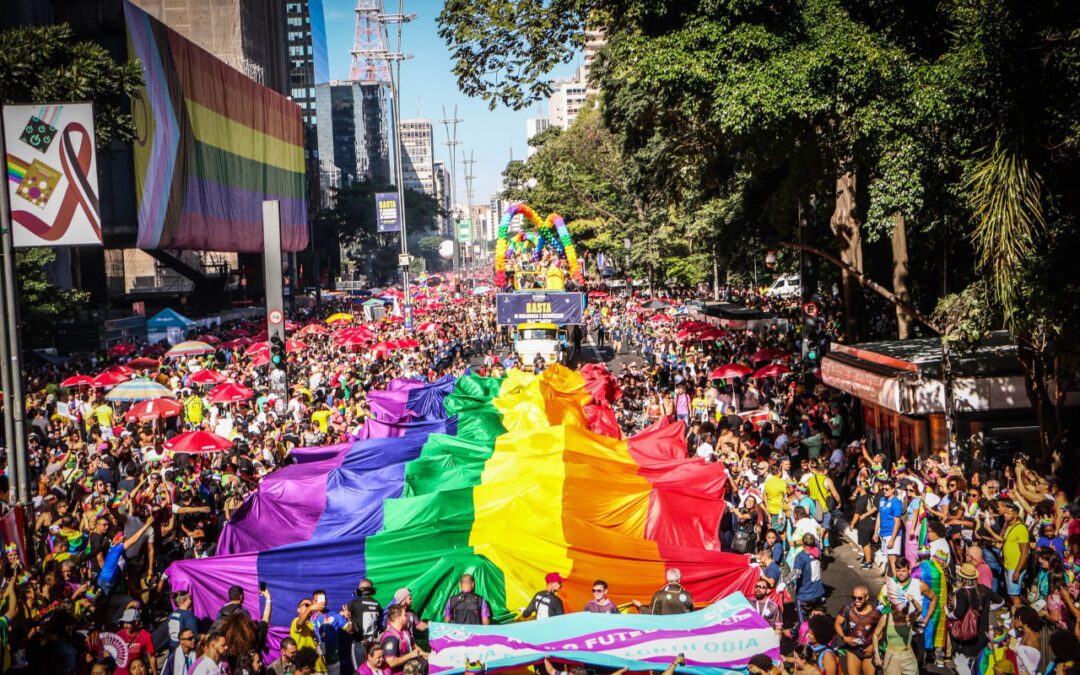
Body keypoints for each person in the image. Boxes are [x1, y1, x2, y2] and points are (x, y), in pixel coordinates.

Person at [833, 585, 881, 675]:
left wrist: (874, 646)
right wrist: (844, 637)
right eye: (854, 597)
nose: (856, 601)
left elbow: (881, 631)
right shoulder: (848, 609)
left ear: (867, 597)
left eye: (860, 598)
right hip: (853, 651)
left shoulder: (875, 613)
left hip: (868, 652)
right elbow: (837, 623)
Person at [1001, 501, 1031, 607]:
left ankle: (1017, 618)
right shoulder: (1008, 526)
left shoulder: (1021, 529)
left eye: (1008, 513)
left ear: (1016, 514)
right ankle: (1012, 614)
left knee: (1014, 596)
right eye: (1005, 513)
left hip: (1015, 567)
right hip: (1008, 565)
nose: (1005, 515)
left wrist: (1017, 571)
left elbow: (1024, 553)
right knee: (1010, 593)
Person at [348, 578, 383, 666]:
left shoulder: (355, 603)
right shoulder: (377, 604)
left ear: (361, 590)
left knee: (359, 670)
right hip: (373, 644)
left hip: (359, 643)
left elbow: (343, 614)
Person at [381, 605, 426, 673]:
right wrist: (410, 655)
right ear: (399, 618)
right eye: (405, 615)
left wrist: (424, 654)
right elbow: (391, 662)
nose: (407, 617)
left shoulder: (405, 630)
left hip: (411, 669)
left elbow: (413, 646)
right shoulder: (391, 637)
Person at [792, 534, 825, 623]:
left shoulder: (801, 557)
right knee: (817, 622)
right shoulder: (818, 551)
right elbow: (818, 544)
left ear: (802, 542)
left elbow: (795, 574)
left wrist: (785, 582)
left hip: (805, 595)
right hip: (818, 593)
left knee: (803, 623)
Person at [875, 480, 904, 577]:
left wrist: (892, 539)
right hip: (883, 532)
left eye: (887, 489)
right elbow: (879, 515)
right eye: (883, 489)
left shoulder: (896, 503)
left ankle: (896, 580)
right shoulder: (882, 499)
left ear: (892, 490)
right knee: (889, 557)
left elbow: (897, 522)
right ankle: (892, 577)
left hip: (892, 533)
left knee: (892, 558)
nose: (884, 491)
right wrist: (876, 532)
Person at [115, 608, 156, 675]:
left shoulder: (145, 635)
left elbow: (151, 657)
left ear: (136, 622)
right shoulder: (118, 635)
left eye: (128, 623)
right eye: (124, 622)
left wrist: (154, 673)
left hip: (137, 672)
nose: (125, 625)